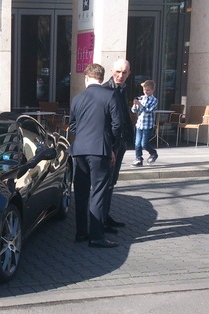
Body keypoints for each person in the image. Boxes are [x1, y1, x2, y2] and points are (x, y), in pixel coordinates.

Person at [68, 63, 121, 248]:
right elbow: (117, 125)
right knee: (98, 193)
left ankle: (81, 233)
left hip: (79, 150)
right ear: (102, 77)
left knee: (81, 193)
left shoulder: (77, 99)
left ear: (86, 77)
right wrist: (111, 146)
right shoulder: (110, 95)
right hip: (100, 150)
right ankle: (97, 236)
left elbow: (72, 126)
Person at [102, 59, 134, 232]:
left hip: (120, 143)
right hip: (111, 145)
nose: (120, 76)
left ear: (129, 73)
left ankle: (106, 216)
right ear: (112, 71)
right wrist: (110, 147)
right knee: (106, 183)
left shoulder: (122, 90)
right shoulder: (106, 90)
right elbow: (105, 123)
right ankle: (101, 220)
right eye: (118, 72)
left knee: (112, 182)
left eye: (124, 72)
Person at [130, 79, 159, 167]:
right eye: (144, 90)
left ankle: (153, 153)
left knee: (144, 144)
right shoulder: (142, 98)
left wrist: (140, 104)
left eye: (148, 90)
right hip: (139, 124)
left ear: (152, 90)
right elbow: (134, 111)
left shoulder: (154, 100)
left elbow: (148, 110)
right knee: (137, 143)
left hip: (148, 125)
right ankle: (138, 158)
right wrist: (135, 104)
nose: (145, 92)